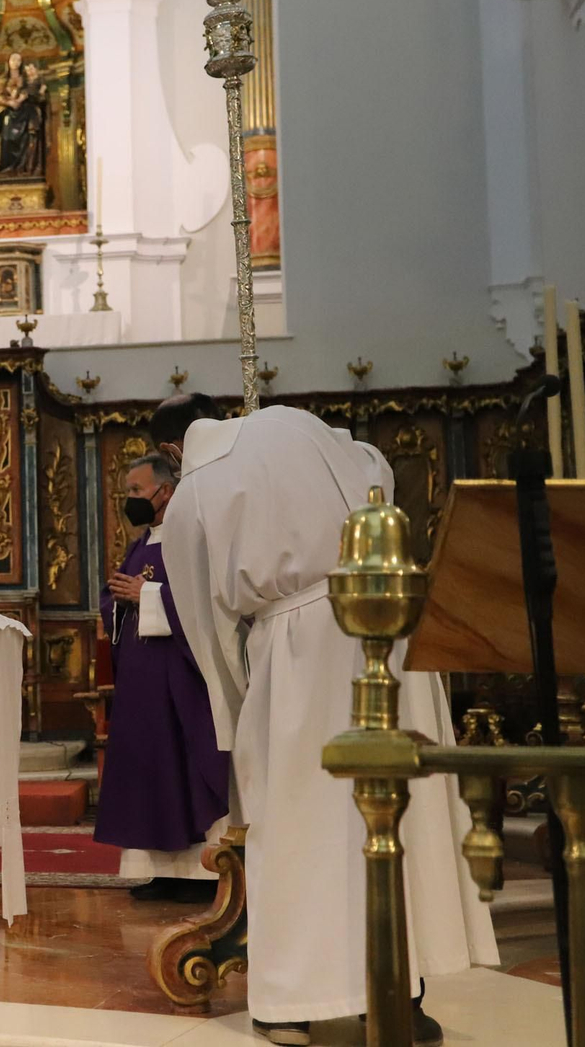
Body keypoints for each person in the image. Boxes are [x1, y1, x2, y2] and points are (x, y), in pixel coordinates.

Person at [153, 394, 497, 1047]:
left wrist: (237, 714)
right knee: (398, 807)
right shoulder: (310, 428)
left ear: (174, 448)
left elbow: (206, 623)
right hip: (388, 621)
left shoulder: (197, 488)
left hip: (299, 651)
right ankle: (402, 992)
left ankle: (290, 1005)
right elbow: (378, 475)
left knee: (299, 823)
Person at [95, 453, 229, 905]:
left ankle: (195, 873)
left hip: (178, 676)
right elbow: (119, 597)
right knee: (149, 771)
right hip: (141, 680)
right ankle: (158, 870)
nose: (130, 499)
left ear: (165, 491)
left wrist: (147, 594)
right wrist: (118, 598)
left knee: (179, 767)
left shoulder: (191, 538)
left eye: (137, 490)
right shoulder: (142, 542)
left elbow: (205, 601)